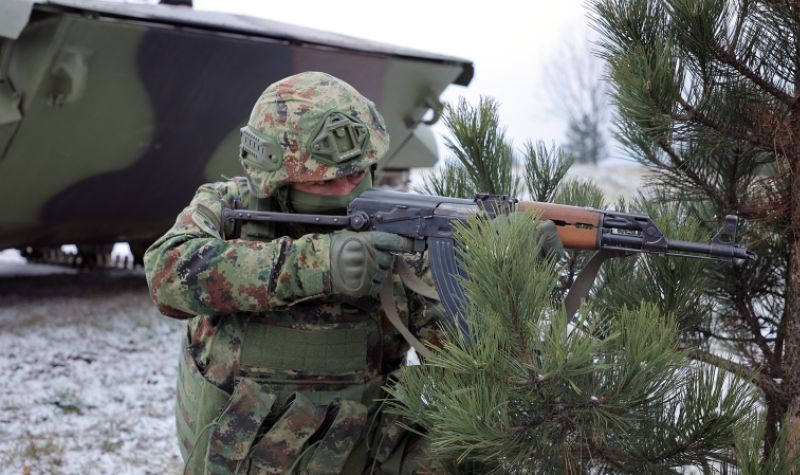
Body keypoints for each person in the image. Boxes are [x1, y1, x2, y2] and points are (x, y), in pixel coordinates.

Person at [145, 71, 563, 474]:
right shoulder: (230, 208)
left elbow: (464, 361)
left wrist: (506, 280)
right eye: (325, 182)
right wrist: (317, 266)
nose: (347, 192)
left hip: (359, 451)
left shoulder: (399, 230)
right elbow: (166, 275)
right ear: (275, 181)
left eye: (355, 174)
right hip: (241, 453)